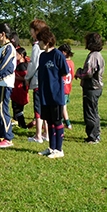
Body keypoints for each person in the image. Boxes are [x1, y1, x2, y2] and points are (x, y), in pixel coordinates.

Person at [36, 26, 69, 158]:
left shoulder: (57, 55)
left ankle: (59, 150)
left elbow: (64, 71)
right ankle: (51, 147)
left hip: (56, 95)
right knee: (49, 121)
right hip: (45, 95)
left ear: (47, 42)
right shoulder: (42, 56)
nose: (38, 43)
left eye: (40, 41)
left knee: (57, 121)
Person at [75, 32, 105, 143]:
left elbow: (88, 73)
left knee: (90, 113)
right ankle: (96, 134)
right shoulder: (98, 55)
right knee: (94, 112)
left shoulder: (93, 56)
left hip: (91, 88)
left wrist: (78, 73)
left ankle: (93, 136)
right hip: (97, 88)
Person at [58, 43, 75, 129]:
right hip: (68, 87)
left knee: (62, 106)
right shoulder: (71, 63)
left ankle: (67, 123)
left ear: (64, 52)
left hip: (63, 88)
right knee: (63, 105)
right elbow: (72, 75)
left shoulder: (63, 63)